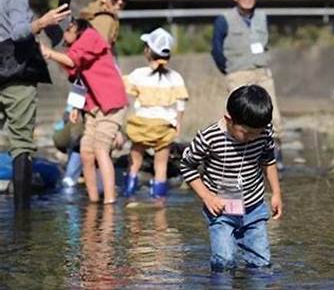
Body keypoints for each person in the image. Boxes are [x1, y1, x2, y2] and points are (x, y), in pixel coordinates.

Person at [180, 85, 283, 272]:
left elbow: (268, 161)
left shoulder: (264, 132)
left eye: (256, 133)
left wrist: (276, 193)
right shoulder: (209, 138)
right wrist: (207, 197)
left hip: (254, 207)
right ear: (229, 119)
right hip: (221, 210)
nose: (252, 138)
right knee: (224, 261)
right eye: (246, 132)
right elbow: (187, 166)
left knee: (261, 262)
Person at [41, 18, 128, 204]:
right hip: (92, 106)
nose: (63, 40)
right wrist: (75, 106)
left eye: (64, 34)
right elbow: (78, 79)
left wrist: (49, 53)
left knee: (100, 148)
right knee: (86, 152)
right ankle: (94, 200)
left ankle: (110, 201)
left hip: (111, 102)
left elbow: (73, 62)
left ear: (74, 28)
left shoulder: (90, 37)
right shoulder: (74, 48)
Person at [0, 0, 71, 209]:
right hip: (14, 73)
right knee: (21, 144)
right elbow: (20, 32)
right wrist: (42, 22)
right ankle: (23, 223)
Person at [211, 0, 284, 169]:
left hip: (261, 72)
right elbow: (216, 49)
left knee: (272, 115)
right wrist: (228, 70)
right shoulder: (224, 19)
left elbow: (265, 45)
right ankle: (239, 159)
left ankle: (274, 158)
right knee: (240, 116)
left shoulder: (262, 17)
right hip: (238, 73)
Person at [122, 27, 189, 205]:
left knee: (135, 161)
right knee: (161, 166)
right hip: (164, 126)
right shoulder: (176, 77)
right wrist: (178, 123)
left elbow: (127, 94)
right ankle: (159, 199)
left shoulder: (138, 74)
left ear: (147, 52)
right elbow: (181, 104)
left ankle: (129, 195)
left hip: (141, 125)